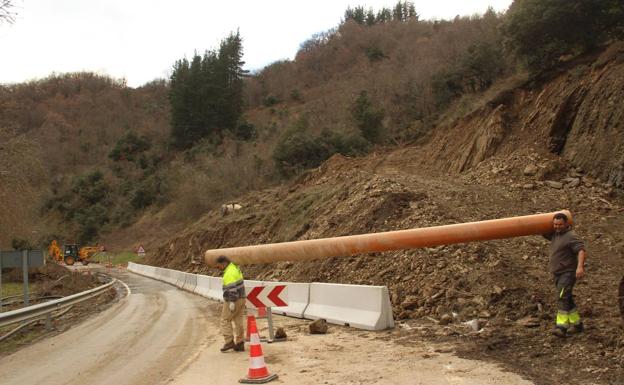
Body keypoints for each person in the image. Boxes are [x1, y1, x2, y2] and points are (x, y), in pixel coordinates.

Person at [544, 212, 587, 337]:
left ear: (566, 224)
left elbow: (581, 250)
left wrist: (580, 267)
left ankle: (561, 327)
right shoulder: (555, 235)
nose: (557, 226)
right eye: (555, 224)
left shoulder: (571, 236)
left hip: (567, 273)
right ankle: (577, 324)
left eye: (560, 224)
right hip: (557, 274)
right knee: (567, 298)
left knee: (562, 297)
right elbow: (542, 231)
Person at [215, 255, 246, 352]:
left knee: (225, 320)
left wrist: (232, 302)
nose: (218, 268)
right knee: (238, 320)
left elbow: (232, 289)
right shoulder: (235, 268)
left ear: (224, 263)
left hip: (233, 299)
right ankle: (240, 343)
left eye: (218, 266)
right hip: (241, 298)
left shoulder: (229, 273)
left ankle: (229, 342)